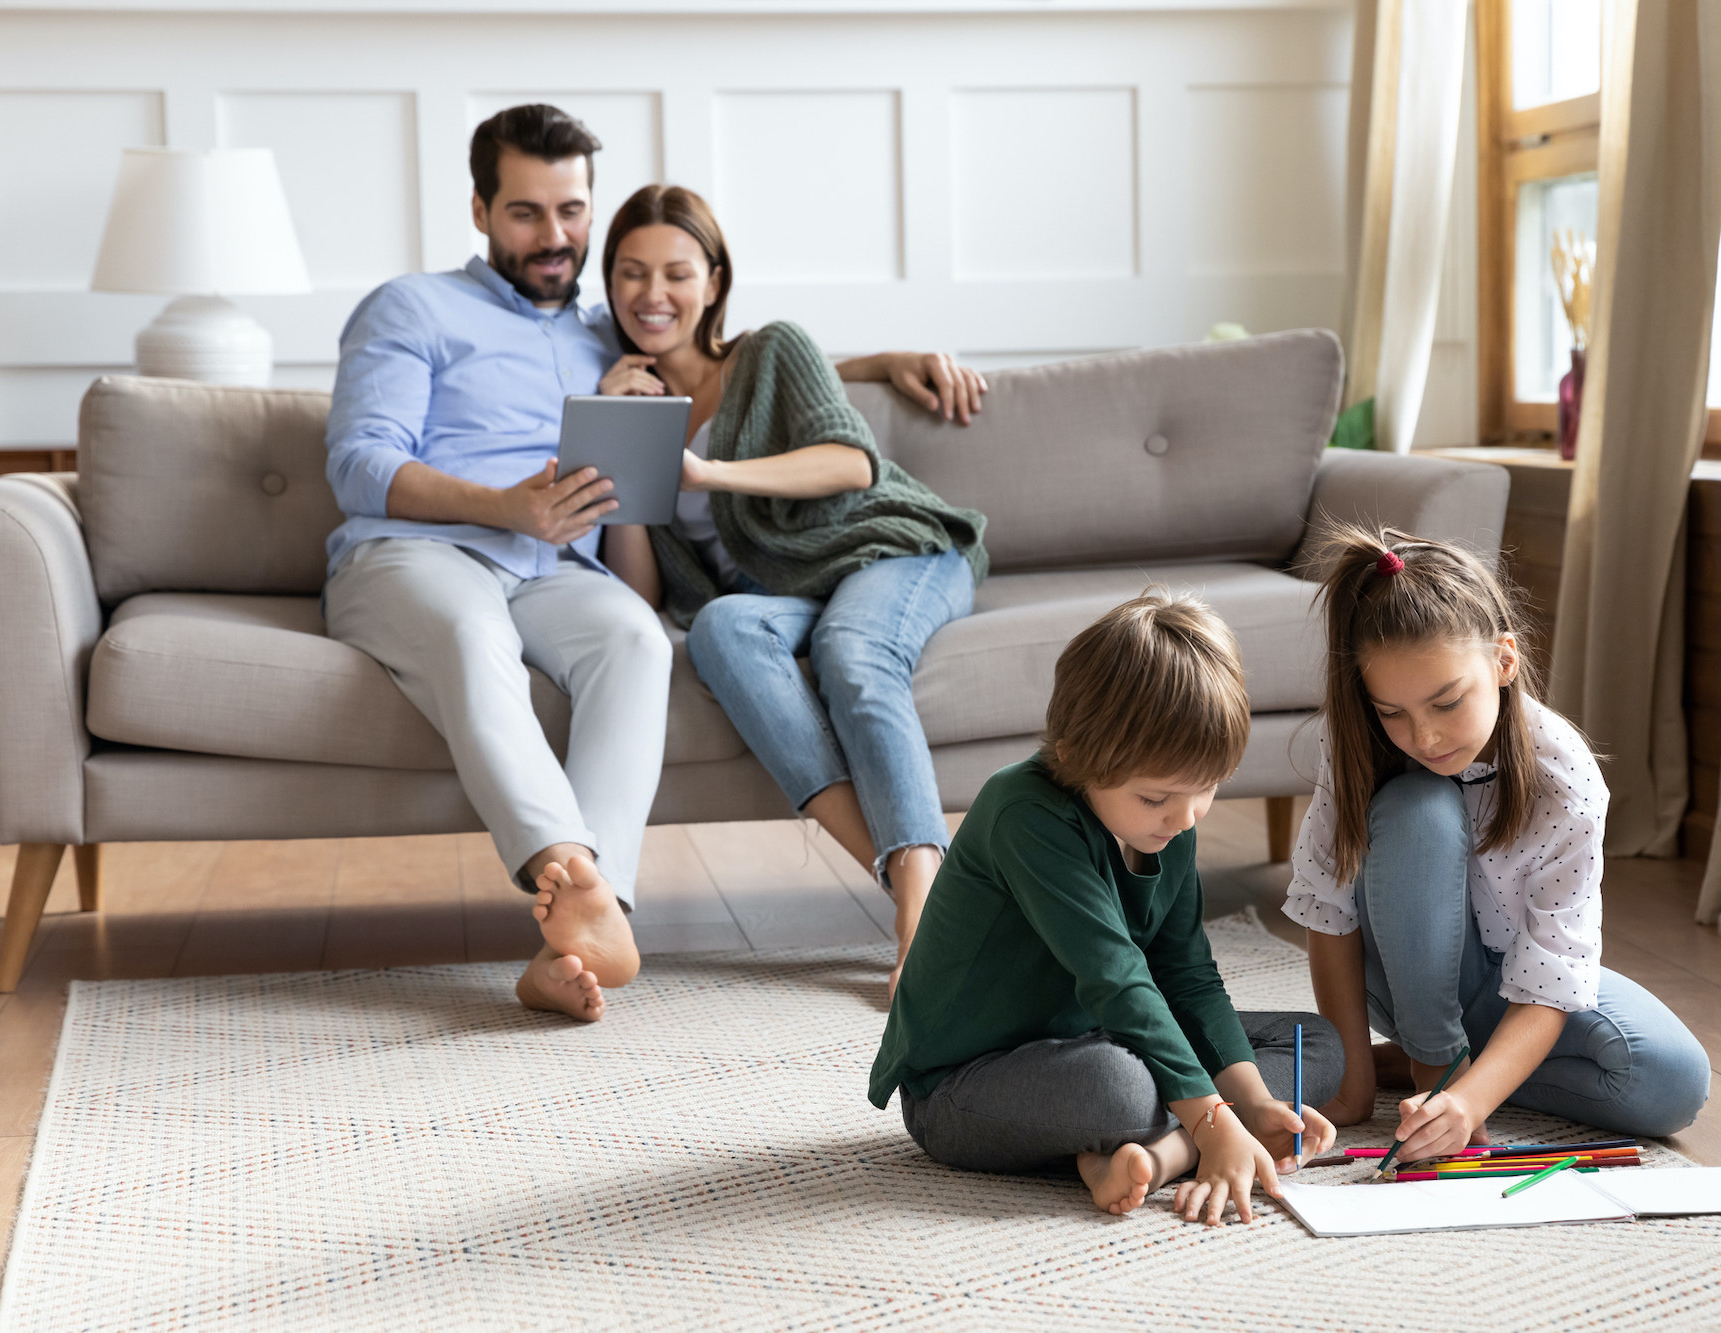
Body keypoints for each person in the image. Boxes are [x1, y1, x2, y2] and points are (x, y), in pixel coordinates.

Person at [323, 105, 978, 1023]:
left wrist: (883, 360)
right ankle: (572, 872)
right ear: (478, 209)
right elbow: (358, 465)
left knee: (638, 640)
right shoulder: (412, 306)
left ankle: (583, 934)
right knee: (474, 634)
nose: (555, 237)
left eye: (572, 211)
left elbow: (728, 356)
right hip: (419, 553)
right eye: (525, 213)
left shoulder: (613, 330)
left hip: (554, 571)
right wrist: (503, 504)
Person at [594, 184, 988, 993]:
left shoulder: (771, 348)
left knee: (852, 648)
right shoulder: (632, 397)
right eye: (631, 273)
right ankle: (930, 892)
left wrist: (708, 472)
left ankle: (920, 916)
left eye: (676, 271)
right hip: (788, 595)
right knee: (719, 629)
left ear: (714, 280)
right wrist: (621, 446)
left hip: (893, 553)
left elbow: (851, 461)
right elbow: (641, 593)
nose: (652, 294)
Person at [868, 592, 1345, 1225]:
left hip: (1095, 1033)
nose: (1186, 816)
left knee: (1316, 1045)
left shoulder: (1170, 821)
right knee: (1115, 1088)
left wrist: (1251, 1104)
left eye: (1206, 788)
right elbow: (1117, 977)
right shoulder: (1023, 812)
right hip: (963, 1084)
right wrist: (1210, 1114)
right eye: (1156, 798)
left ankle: (1165, 1151)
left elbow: (1186, 974)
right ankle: (1185, 1137)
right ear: (1074, 755)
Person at [1289, 523, 1710, 1163]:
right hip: (1403, 976)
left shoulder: (1564, 775)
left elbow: (1553, 968)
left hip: (1511, 985)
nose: (1424, 738)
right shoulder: (1351, 743)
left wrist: (1474, 1100)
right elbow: (1328, 910)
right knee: (1418, 806)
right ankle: (1429, 1060)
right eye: (1392, 713)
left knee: (1673, 1083)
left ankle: (1458, 1068)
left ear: (1504, 661)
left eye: (1447, 702)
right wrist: (1352, 1083)